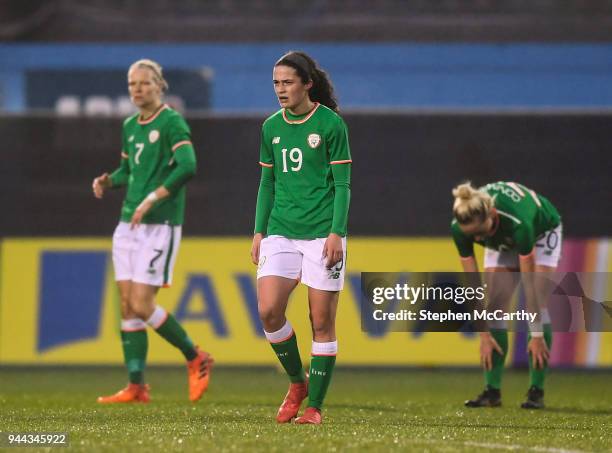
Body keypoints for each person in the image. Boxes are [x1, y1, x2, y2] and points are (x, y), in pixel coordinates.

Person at [92, 59, 212, 404]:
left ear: (160, 85)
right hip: (128, 223)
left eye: (144, 83)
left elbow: (188, 166)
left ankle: (195, 355)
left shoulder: (172, 121)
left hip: (160, 225)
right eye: (132, 84)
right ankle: (136, 386)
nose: (137, 89)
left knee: (143, 304)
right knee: (128, 306)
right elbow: (129, 170)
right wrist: (109, 181)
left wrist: (153, 198)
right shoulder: (130, 125)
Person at [251, 51, 351, 424]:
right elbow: (267, 182)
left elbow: (343, 185)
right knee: (268, 310)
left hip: (321, 234)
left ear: (307, 84)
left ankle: (314, 409)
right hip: (280, 231)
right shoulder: (270, 127)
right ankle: (297, 382)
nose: (280, 89)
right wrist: (259, 229)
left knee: (320, 321)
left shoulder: (330, 125)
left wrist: (336, 233)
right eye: (276, 83)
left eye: (287, 82)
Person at [451, 181, 562, 409]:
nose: (479, 240)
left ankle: (536, 391)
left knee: (538, 301)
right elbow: (472, 287)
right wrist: (483, 335)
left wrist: (537, 335)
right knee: (494, 309)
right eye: (474, 238)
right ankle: (492, 392)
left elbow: (529, 286)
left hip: (542, 230)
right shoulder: (460, 227)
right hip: (501, 238)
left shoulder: (520, 224)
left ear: (492, 213)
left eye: (481, 233)